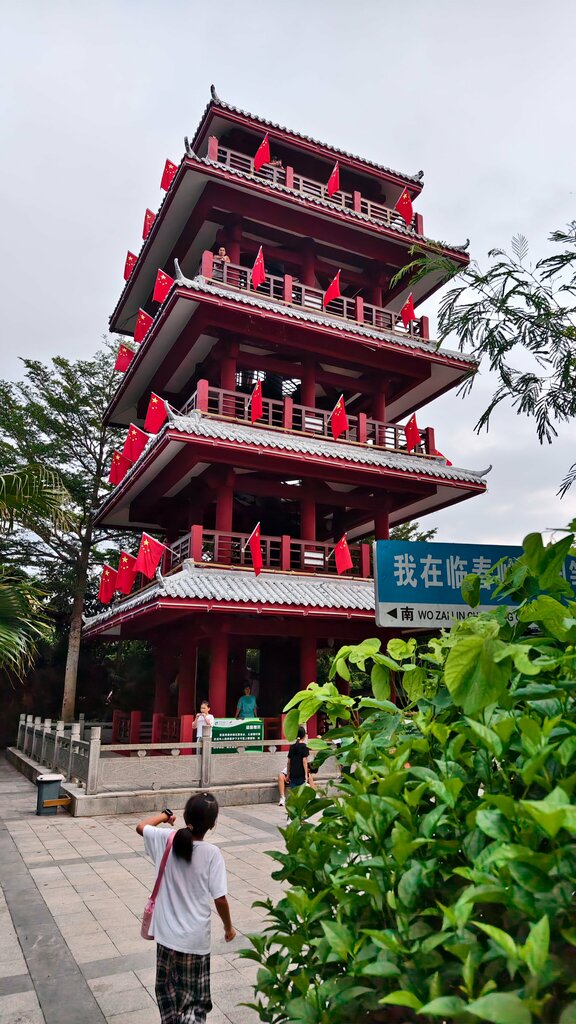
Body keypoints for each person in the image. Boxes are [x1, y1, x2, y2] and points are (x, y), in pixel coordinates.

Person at [136, 793, 236, 1023]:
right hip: (194, 940)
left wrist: (164, 816)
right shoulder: (212, 854)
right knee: (195, 1002)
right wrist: (228, 928)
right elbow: (220, 899)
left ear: (185, 816)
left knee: (167, 996)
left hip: (166, 937)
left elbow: (141, 827)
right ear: (213, 824)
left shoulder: (166, 839)